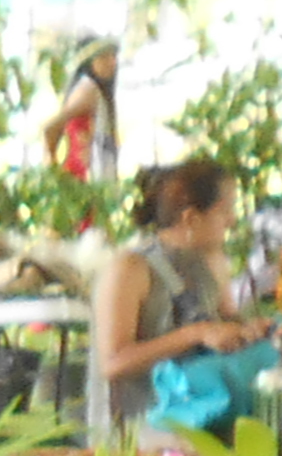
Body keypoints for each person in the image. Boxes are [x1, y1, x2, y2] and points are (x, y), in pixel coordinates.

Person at [88, 157, 261, 432]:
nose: (232, 221)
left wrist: (248, 331)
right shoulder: (130, 268)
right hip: (144, 427)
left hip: (210, 414)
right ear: (190, 218)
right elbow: (113, 363)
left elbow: (226, 320)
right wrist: (196, 334)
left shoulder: (212, 261)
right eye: (224, 210)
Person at [43, 39, 122, 188]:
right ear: (89, 63)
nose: (112, 63)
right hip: (82, 184)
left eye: (113, 57)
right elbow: (51, 128)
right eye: (103, 57)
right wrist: (54, 172)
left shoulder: (97, 93)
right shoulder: (88, 90)